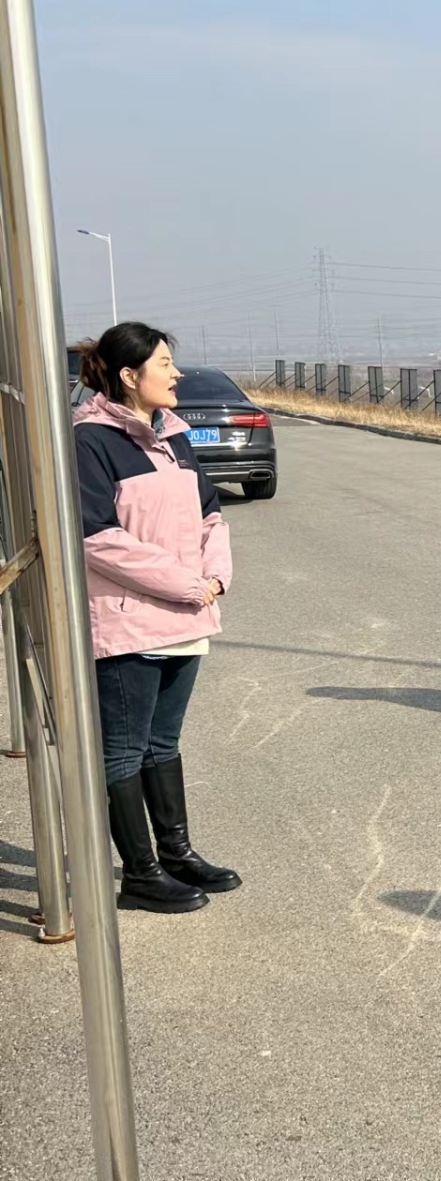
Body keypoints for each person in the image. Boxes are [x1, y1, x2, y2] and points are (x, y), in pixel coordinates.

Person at [74, 323, 240, 914]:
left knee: (162, 743)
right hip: (129, 623)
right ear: (129, 375)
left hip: (186, 615)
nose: (177, 374)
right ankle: (140, 875)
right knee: (123, 750)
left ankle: (177, 855)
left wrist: (215, 577)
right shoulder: (91, 440)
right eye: (165, 363)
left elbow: (210, 515)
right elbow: (97, 538)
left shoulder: (174, 437)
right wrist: (189, 585)